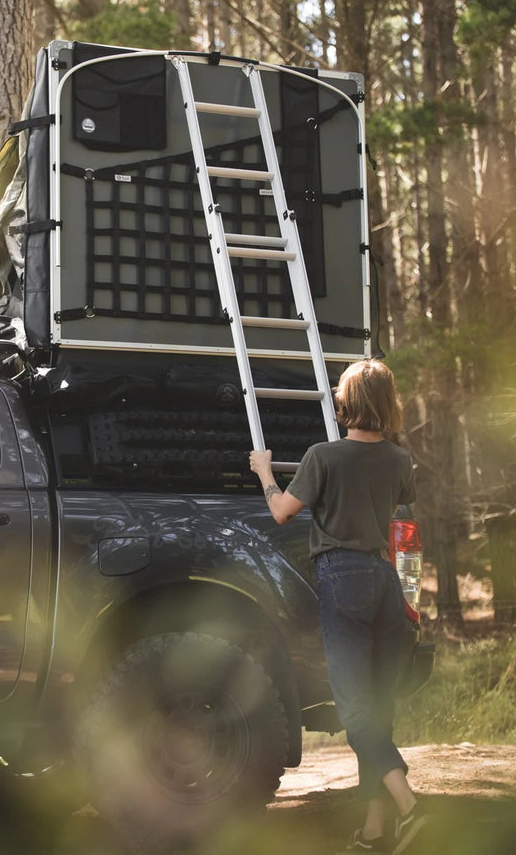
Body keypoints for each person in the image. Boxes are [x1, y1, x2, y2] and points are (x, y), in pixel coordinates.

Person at [250, 359, 428, 854]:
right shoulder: (399, 460)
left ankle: (411, 805)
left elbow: (282, 512)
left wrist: (265, 471)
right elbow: (399, 511)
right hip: (385, 579)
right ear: (387, 404)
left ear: (345, 403)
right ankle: (375, 831)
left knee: (354, 709)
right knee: (377, 707)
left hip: (342, 577)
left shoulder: (322, 456)